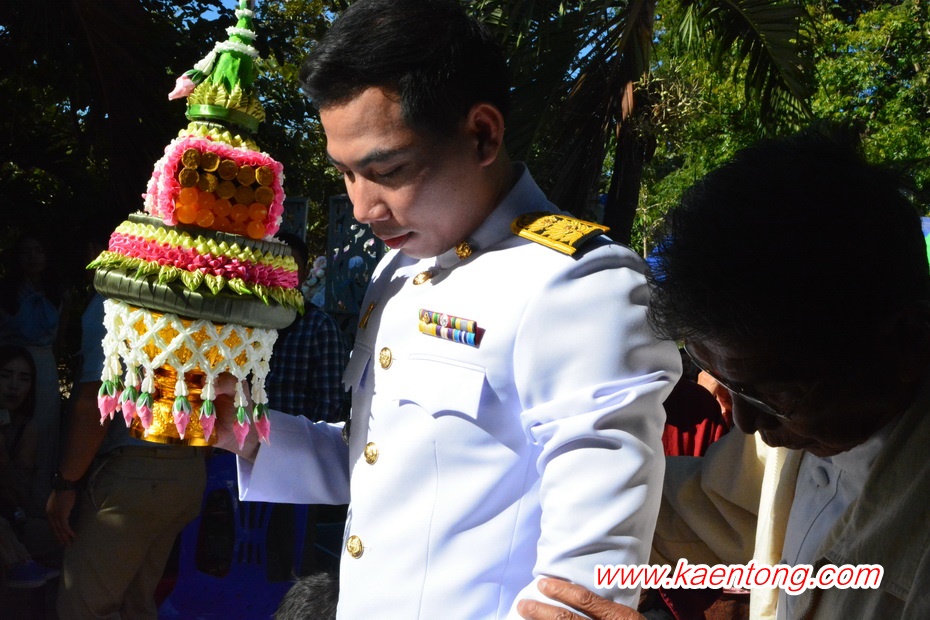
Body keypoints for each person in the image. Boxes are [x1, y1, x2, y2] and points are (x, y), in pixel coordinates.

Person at [211, 1, 682, 617]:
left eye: (386, 170)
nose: (363, 208)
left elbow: (587, 573)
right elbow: (388, 458)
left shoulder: (578, 284)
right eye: (346, 174)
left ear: (482, 134)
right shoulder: (400, 269)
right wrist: (252, 437)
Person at [515, 126, 930, 620]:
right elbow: (703, 512)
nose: (746, 424)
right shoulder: (796, 438)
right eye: (730, 385)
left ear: (907, 344)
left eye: (777, 395)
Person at [46, 236, 207, 620]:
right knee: (137, 605)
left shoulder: (117, 302)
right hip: (186, 468)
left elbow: (95, 403)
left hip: (136, 476)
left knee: (84, 608)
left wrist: (66, 484)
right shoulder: (190, 300)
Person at [265, 231, 349, 580]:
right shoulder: (245, 322)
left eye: (290, 265)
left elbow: (329, 407)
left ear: (301, 274)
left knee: (289, 558)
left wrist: (289, 448)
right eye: (271, 262)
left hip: (294, 464)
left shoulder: (318, 327)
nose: (280, 272)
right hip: (240, 454)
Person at [0, 235, 69, 558]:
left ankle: (39, 504)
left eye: (38, 249)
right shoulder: (7, 291)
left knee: (44, 431)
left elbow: (60, 336)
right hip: (11, 359)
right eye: (26, 251)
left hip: (43, 364)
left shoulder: (58, 292)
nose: (33, 256)